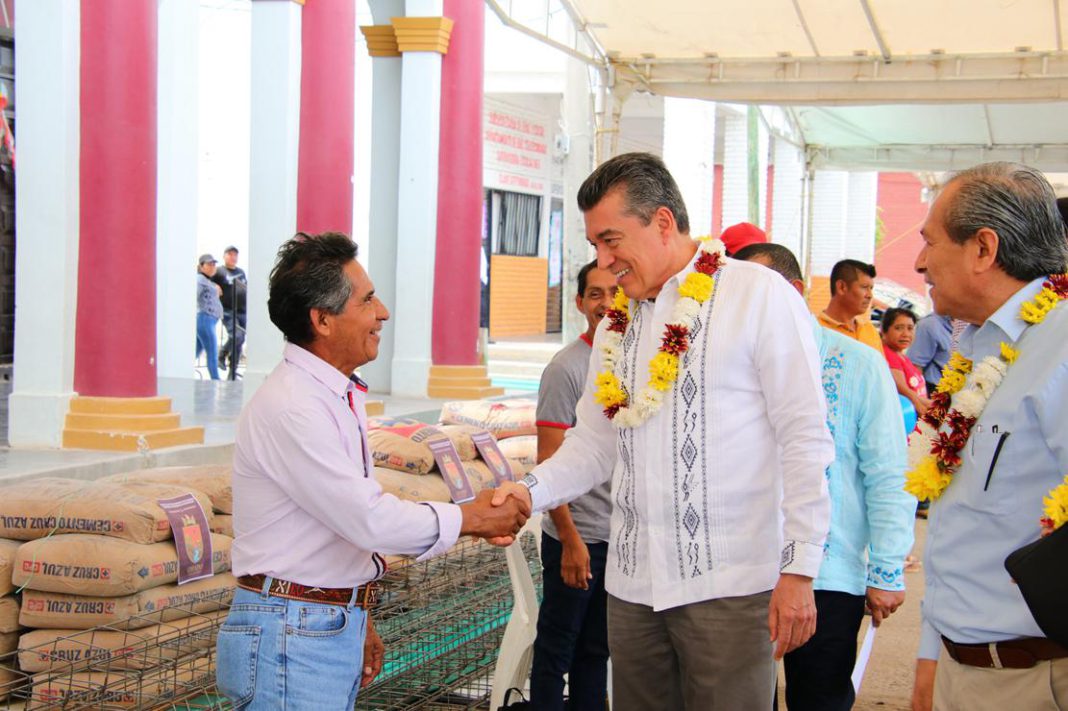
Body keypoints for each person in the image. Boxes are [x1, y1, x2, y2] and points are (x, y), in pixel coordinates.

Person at [491, 152, 834, 710]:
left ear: (663, 222)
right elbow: (593, 445)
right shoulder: (617, 324)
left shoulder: (757, 295)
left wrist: (799, 569)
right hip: (632, 586)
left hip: (728, 584)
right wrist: (528, 492)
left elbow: (805, 438)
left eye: (611, 241)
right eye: (595, 246)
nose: (604, 262)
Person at [217, 232, 530, 710]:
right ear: (322, 320)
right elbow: (367, 518)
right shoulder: (295, 406)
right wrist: (473, 517)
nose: (382, 312)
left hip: (312, 623)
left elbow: (337, 527)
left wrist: (355, 610)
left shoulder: (330, 394)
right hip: (291, 634)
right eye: (366, 300)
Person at [908, 163, 1068, 711]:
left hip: (1036, 679)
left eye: (930, 241)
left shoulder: (1061, 345)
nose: (920, 262)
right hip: (962, 667)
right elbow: (961, 528)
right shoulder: (979, 346)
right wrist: (931, 654)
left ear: (983, 248)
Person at [734, 243, 914, 711]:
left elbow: (888, 472)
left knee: (819, 699)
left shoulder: (858, 363)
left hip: (827, 576)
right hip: (742, 575)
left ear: (793, 292)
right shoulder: (730, 367)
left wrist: (886, 569)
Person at [530, 260, 617, 710]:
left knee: (596, 651)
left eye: (615, 293)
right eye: (595, 294)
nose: (606, 303)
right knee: (556, 649)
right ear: (580, 302)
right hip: (579, 538)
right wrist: (570, 540)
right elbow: (549, 459)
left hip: (617, 537)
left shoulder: (633, 359)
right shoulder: (566, 368)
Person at [818, 259, 882, 351]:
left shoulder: (870, 331)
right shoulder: (816, 330)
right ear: (841, 287)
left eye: (871, 288)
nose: (870, 295)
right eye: (864, 287)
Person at [880, 306, 931, 418]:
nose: (906, 334)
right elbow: (902, 390)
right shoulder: (888, 355)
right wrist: (933, 407)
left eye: (910, 328)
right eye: (898, 328)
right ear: (884, 330)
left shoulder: (900, 355)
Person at [212, 245, 247, 380]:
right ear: (224, 256)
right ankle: (222, 353)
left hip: (242, 311)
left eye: (235, 255)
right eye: (230, 254)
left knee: (240, 339)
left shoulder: (241, 272)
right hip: (228, 310)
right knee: (236, 336)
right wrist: (214, 285)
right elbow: (207, 280)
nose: (233, 257)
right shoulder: (219, 271)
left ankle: (232, 371)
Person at [909, 312, 953, 395]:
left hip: (953, 390)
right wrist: (919, 396)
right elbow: (915, 365)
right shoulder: (930, 325)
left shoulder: (966, 325)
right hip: (933, 390)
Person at [196, 254, 223, 381]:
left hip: (208, 320)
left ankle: (180, 373)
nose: (212, 266)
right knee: (212, 352)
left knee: (196, 351)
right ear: (201, 266)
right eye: (209, 264)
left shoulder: (207, 281)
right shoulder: (200, 280)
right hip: (205, 319)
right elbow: (194, 295)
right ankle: (216, 380)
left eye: (213, 264)